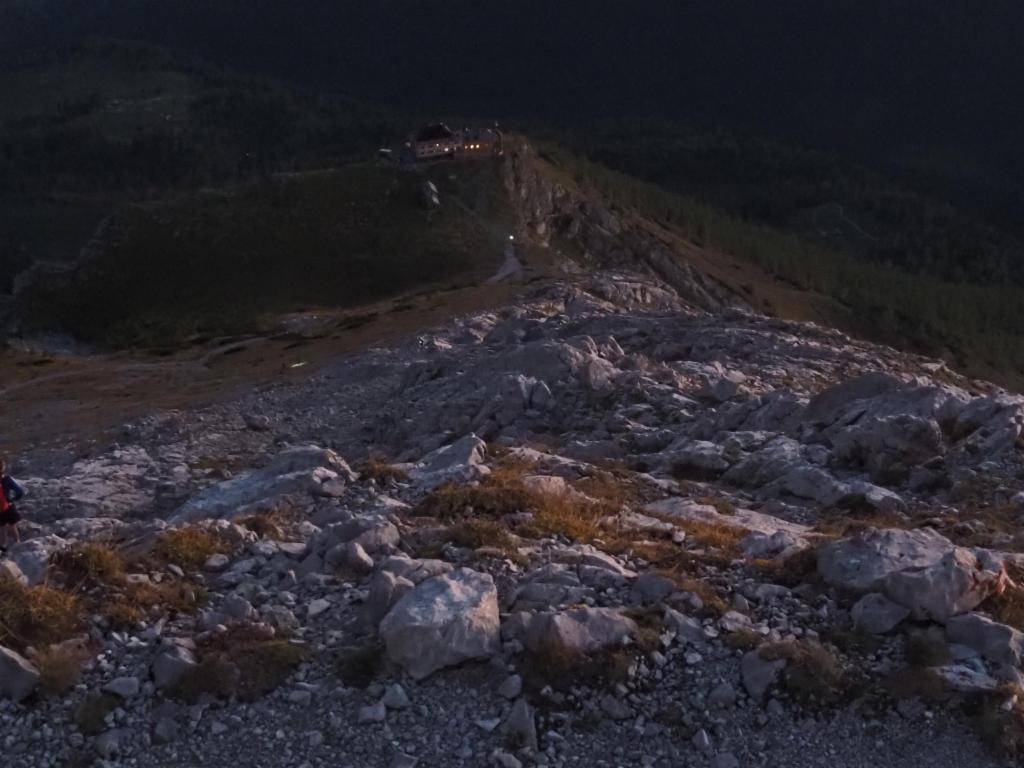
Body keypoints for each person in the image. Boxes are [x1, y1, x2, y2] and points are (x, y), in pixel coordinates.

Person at [0, 458, 25, 551]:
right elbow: (20, 492)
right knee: (12, 525)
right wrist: (12, 500)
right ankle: (18, 545)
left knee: (2, 528)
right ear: (3, 468)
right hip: (8, 506)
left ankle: (3, 548)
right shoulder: (7, 479)